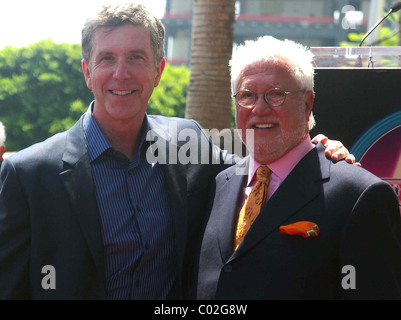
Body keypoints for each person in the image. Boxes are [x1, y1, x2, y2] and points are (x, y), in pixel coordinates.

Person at [0, 4, 352, 300]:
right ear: (87, 72)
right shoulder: (28, 173)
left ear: (158, 71)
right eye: (107, 58)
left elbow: (262, 169)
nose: (121, 74)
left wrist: (316, 149)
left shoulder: (189, 142)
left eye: (136, 58)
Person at [195, 36, 401, 300]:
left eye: (276, 94)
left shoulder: (359, 196)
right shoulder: (218, 185)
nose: (259, 108)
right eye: (247, 95)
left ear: (307, 104)